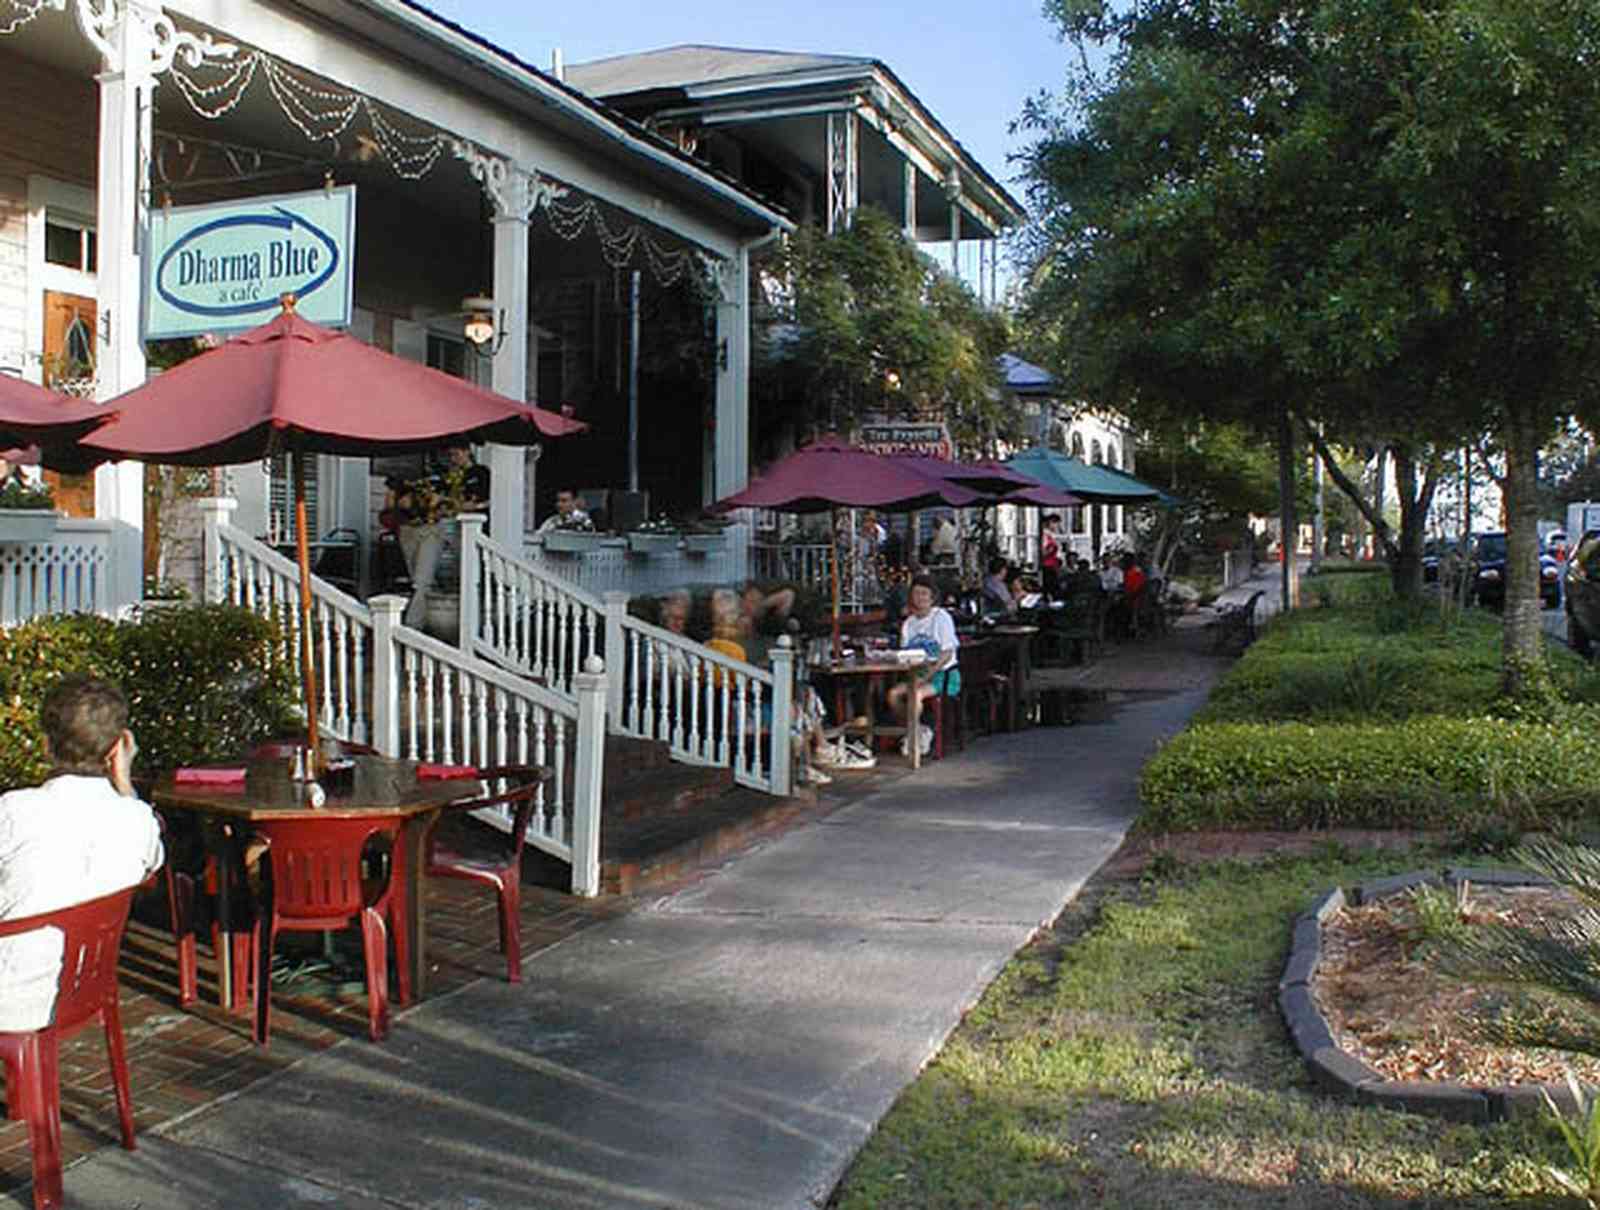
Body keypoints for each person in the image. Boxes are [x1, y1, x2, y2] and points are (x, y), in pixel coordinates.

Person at [0, 675, 164, 1032]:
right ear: (117, 748)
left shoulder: (14, 811)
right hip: (83, 988)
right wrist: (124, 780)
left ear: (45, 744)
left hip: (11, 995)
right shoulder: (136, 819)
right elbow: (152, 861)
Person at [391, 446, 489, 628]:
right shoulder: (444, 475)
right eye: (450, 454)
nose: (453, 458)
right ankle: (421, 621)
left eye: (456, 453)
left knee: (464, 575)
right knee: (423, 578)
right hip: (431, 524)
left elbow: (487, 500)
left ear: (468, 451)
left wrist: (472, 506)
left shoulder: (479, 473)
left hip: (464, 526)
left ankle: (465, 623)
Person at [887, 575, 961, 758]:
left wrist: (928, 675)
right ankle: (918, 730)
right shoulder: (909, 624)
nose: (920, 598)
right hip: (917, 674)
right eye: (916, 594)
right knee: (893, 695)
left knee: (916, 694)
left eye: (924, 594)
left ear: (932, 597)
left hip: (943, 674)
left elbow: (947, 653)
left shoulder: (941, 617)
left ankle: (914, 738)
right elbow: (906, 654)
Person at [1040, 514, 1064, 597]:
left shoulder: (1051, 535)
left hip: (1054, 565)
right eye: (1056, 523)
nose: (1057, 526)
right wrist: (1050, 550)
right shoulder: (1045, 535)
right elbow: (1043, 551)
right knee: (1051, 587)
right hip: (1048, 566)